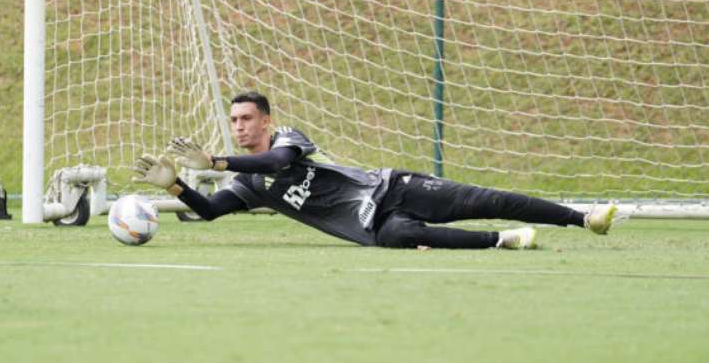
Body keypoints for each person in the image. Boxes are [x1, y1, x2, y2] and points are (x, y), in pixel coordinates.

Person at [132, 91, 616, 249]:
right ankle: (502, 242)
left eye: (246, 119)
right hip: (372, 225)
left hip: (391, 188)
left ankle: (583, 218)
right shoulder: (247, 183)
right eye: (233, 121)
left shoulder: (287, 140)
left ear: (266, 120)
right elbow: (212, 210)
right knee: (403, 238)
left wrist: (214, 161)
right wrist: (173, 183)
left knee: (485, 198)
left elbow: (279, 163)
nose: (238, 127)